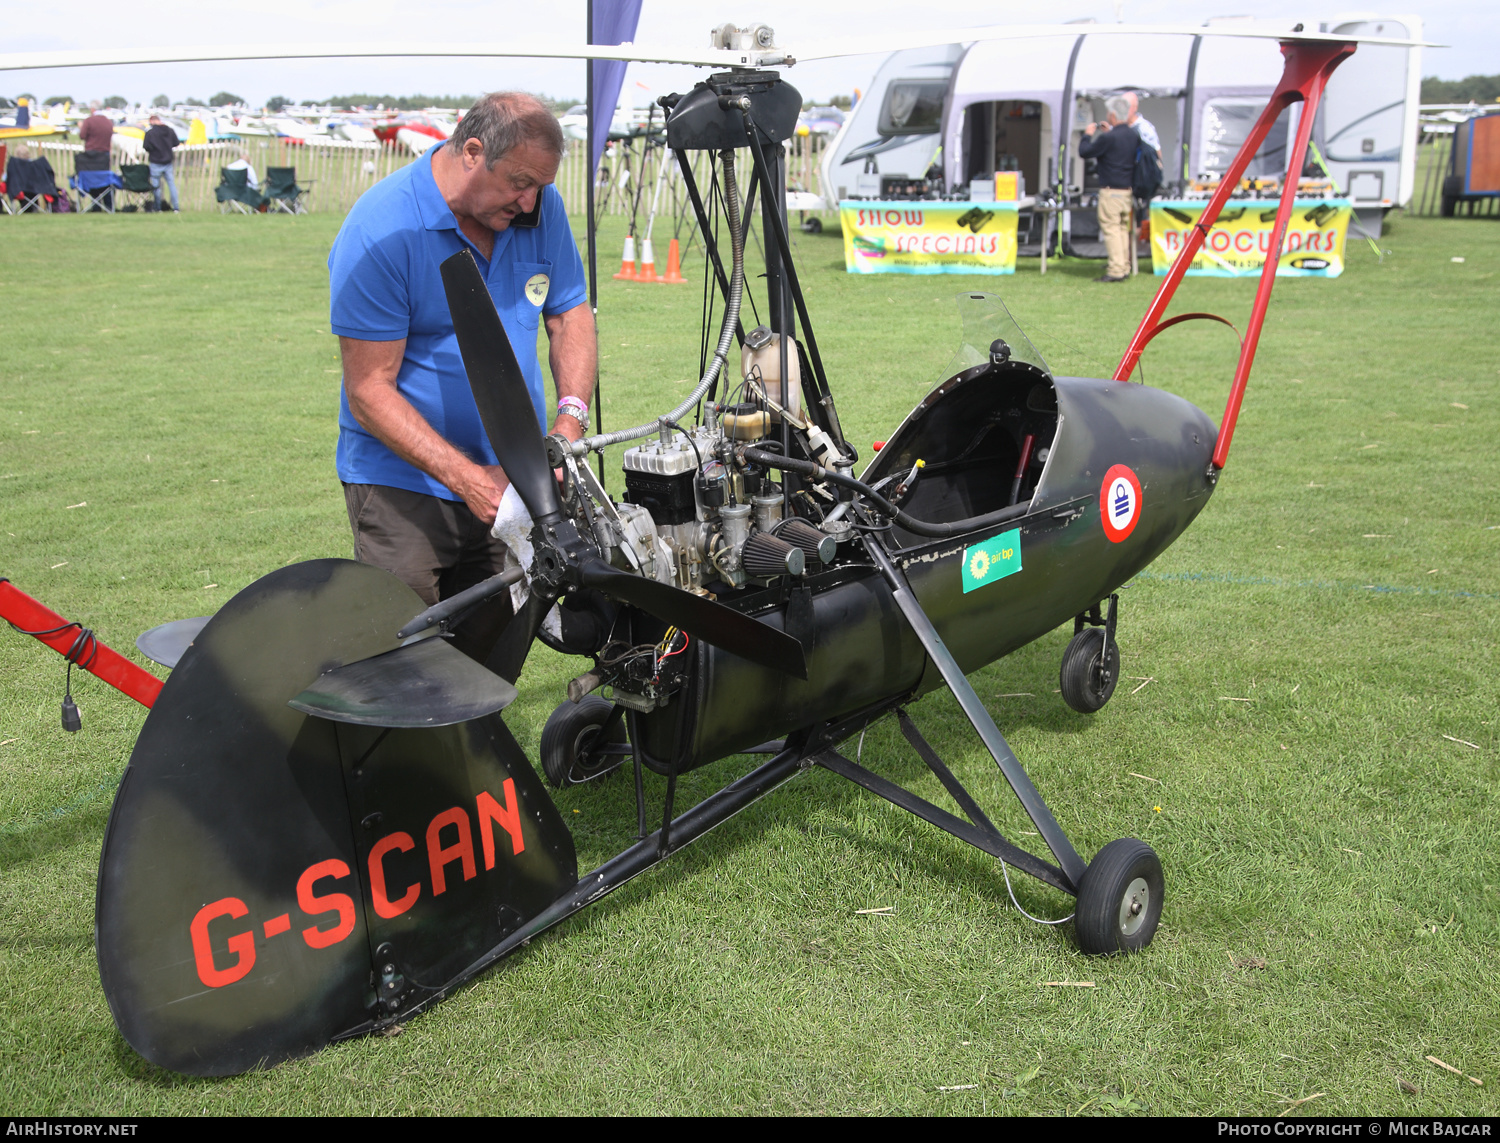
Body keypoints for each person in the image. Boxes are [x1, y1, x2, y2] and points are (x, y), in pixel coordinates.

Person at [328, 91, 595, 660]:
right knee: (403, 659)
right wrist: (470, 480)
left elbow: (570, 312)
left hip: (517, 479)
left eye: (541, 186)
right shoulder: (382, 230)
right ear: (472, 151)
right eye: (519, 182)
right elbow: (369, 391)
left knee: (495, 650)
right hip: (406, 488)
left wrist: (569, 424)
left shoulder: (539, 211)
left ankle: (476, 747)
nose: (529, 204)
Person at [1078, 95, 1140, 282]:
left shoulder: (1109, 138)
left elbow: (1085, 152)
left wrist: (1088, 135)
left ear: (1112, 115)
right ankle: (1124, 267)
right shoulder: (1132, 135)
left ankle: (1115, 270)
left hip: (1110, 191)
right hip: (1126, 190)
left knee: (1111, 230)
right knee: (1122, 229)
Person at [143, 114, 180, 212]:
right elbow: (176, 143)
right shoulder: (169, 131)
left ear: (151, 121)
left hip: (155, 161)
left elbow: (146, 146)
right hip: (168, 161)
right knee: (171, 184)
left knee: (156, 186)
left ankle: (158, 207)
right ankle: (176, 207)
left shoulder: (150, 133)